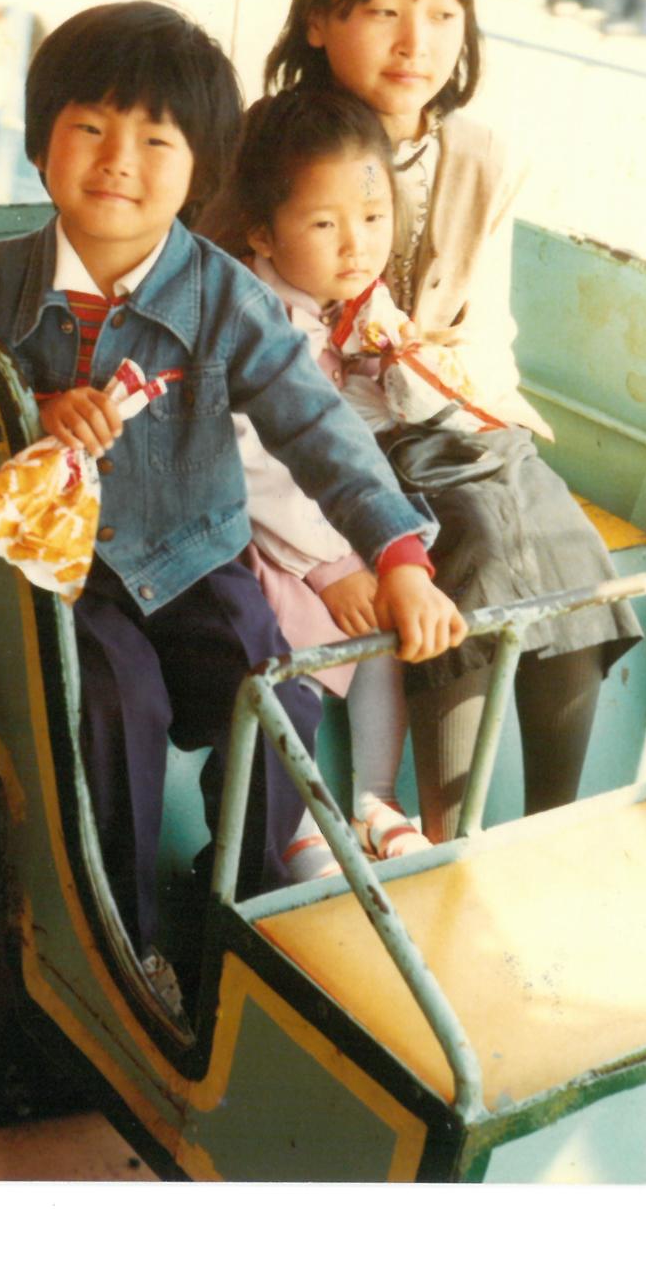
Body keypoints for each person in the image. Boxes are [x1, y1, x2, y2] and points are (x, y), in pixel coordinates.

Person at [0, 1, 466, 959]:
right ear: (41, 140)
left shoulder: (229, 296)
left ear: (201, 168)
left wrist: (398, 554)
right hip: (65, 577)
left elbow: (317, 428)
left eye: (157, 139)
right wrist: (32, 410)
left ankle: (247, 905)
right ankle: (123, 945)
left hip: (197, 557)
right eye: (90, 128)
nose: (119, 161)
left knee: (275, 697)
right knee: (119, 704)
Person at [260, 0, 643, 842]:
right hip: (313, 435)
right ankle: (448, 831)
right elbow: (243, 328)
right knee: (472, 533)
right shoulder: (276, 146)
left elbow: (486, 339)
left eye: (441, 13)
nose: (415, 43)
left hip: (436, 411)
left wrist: (423, 370)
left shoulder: (481, 159)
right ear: (319, 18)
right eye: (383, 10)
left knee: (545, 525)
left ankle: (547, 828)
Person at [218, 89, 440, 865]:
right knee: (302, 632)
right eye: (324, 224)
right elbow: (251, 459)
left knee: (389, 612)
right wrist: (329, 562)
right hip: (267, 530)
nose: (357, 246)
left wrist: (393, 363)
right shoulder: (254, 313)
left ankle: (375, 797)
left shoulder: (347, 302)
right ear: (263, 233)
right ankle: (299, 820)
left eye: (374, 217)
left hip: (330, 516)